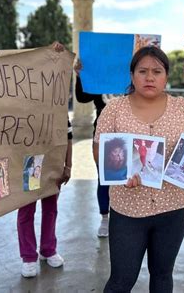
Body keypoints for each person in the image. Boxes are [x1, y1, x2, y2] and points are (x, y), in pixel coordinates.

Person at [94, 46, 184, 293]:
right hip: (128, 211)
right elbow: (98, 147)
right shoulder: (114, 109)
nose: (150, 77)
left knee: (163, 277)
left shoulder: (181, 107)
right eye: (142, 71)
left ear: (166, 76)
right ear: (132, 75)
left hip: (173, 210)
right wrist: (117, 173)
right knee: (121, 281)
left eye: (157, 71)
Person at [17, 42, 73, 278]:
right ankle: (28, 256)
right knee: (26, 211)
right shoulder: (17, 105)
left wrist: (68, 165)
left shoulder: (57, 104)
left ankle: (48, 249)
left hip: (51, 164)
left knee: (50, 209)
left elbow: (68, 137)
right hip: (26, 165)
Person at [74, 59, 111, 237]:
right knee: (104, 178)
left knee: (131, 176)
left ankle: (128, 217)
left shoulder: (133, 75)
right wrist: (80, 76)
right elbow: (82, 97)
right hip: (104, 135)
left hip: (132, 133)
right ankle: (105, 217)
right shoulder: (100, 78)